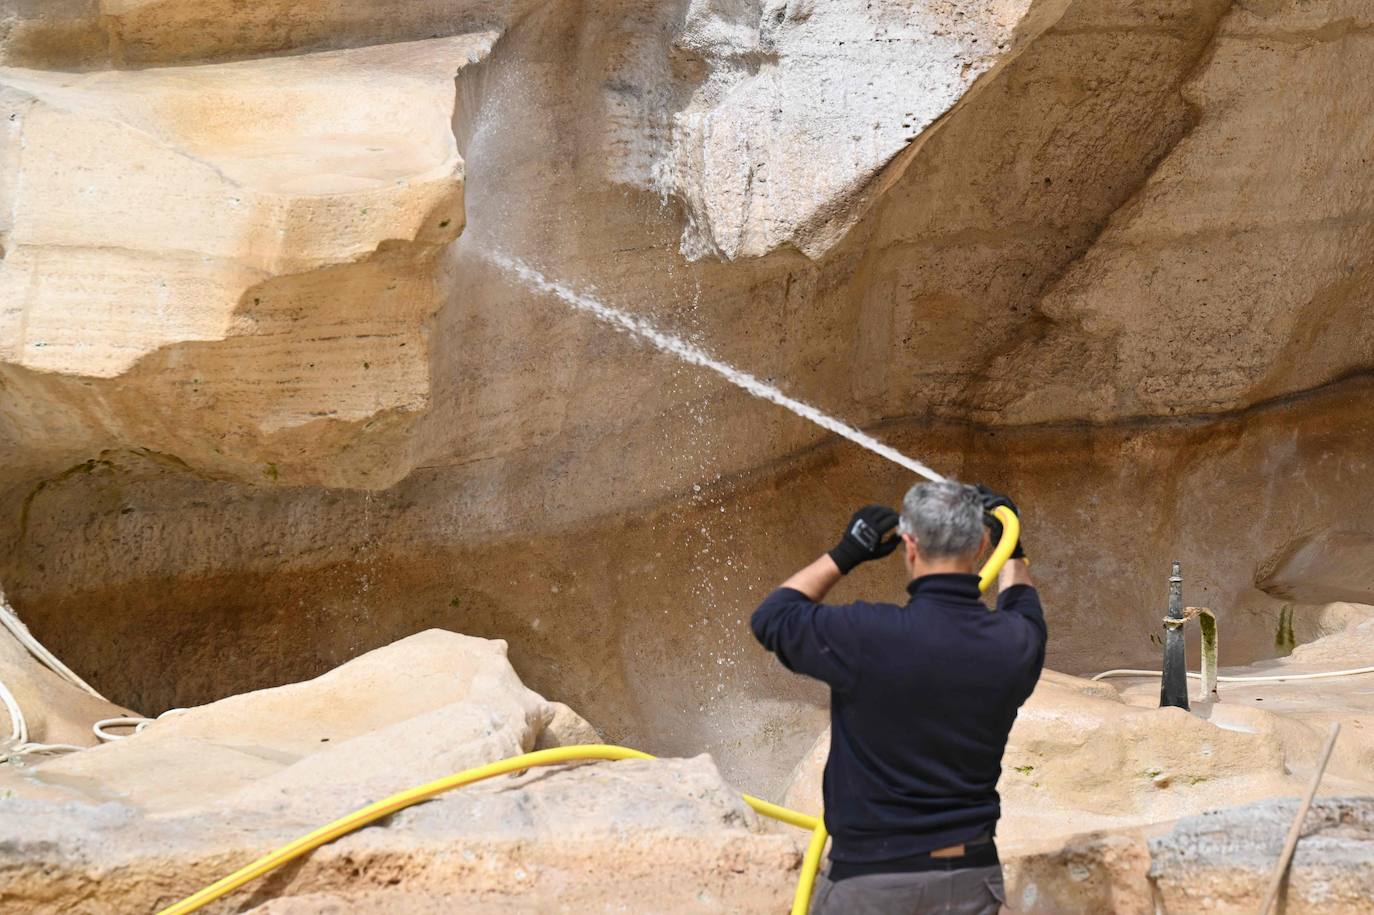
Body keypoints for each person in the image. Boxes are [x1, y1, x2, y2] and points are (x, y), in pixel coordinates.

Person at [751, 480, 1046, 915]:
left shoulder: (866, 634)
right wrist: (1014, 547)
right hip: (968, 880)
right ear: (984, 543)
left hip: (871, 879)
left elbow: (772, 617)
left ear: (909, 545)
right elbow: (1023, 604)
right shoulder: (1013, 643)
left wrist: (845, 554)